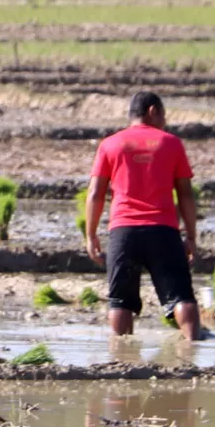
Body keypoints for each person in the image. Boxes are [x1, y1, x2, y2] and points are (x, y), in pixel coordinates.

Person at [85, 90, 202, 340]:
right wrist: (190, 236)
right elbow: (185, 194)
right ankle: (193, 347)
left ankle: (122, 360)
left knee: (120, 301)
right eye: (164, 115)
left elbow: (95, 193)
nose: (165, 121)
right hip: (163, 231)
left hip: (123, 232)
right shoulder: (170, 143)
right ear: (152, 111)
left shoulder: (111, 144)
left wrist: (91, 234)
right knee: (181, 296)